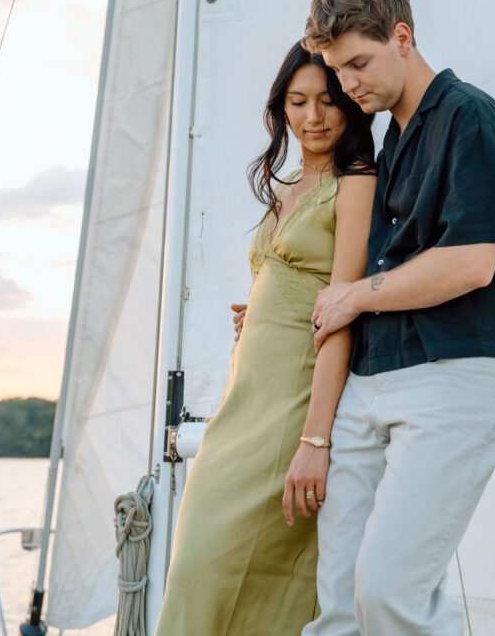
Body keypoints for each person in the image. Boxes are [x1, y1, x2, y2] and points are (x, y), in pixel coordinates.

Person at [301, 0, 495, 636]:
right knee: (341, 608)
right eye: (335, 68)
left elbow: (470, 262)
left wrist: (353, 297)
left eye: (358, 63)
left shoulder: (469, 116)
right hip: (377, 378)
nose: (347, 85)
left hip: (461, 371)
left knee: (388, 596)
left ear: (401, 37)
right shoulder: (392, 137)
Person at [154, 41, 376, 636]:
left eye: (328, 101)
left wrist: (316, 439)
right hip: (241, 407)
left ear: (350, 106)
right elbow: (290, 284)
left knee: (239, 572)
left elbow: (345, 307)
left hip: (291, 410)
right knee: (194, 567)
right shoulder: (284, 190)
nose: (314, 117)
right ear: (280, 109)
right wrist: (259, 312)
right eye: (298, 101)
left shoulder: (356, 182)